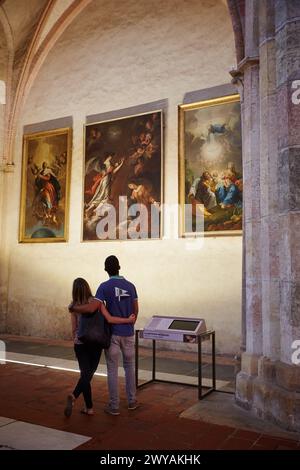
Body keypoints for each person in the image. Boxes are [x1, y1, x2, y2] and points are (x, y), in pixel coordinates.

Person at [69, 256, 139, 416]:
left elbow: (91, 308)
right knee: (130, 367)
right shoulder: (131, 286)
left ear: (106, 270)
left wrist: (74, 308)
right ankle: (132, 401)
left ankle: (114, 406)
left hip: (113, 334)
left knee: (112, 370)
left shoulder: (104, 287)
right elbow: (135, 309)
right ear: (119, 267)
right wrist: (129, 324)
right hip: (128, 332)